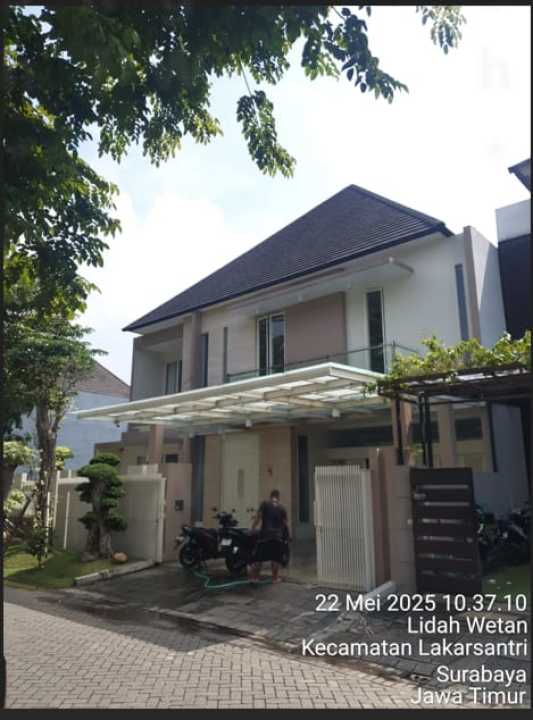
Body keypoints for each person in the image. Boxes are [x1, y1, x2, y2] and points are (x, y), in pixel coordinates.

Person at [250, 489, 290, 584]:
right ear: (278, 497)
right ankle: (275, 578)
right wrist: (287, 536)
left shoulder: (264, 504)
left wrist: (253, 528)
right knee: (275, 558)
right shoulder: (282, 507)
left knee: (259, 557)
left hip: (265, 535)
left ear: (271, 496)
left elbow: (258, 517)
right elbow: (285, 523)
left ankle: (255, 578)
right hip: (277, 536)